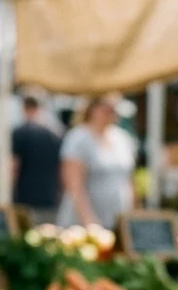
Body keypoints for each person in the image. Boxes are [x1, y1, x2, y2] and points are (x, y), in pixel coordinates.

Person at [58, 96, 135, 230]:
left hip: (116, 221)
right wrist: (90, 222)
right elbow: (74, 185)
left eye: (115, 110)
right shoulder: (78, 137)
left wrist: (131, 217)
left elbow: (128, 180)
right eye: (108, 110)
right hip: (83, 225)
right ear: (93, 109)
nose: (113, 114)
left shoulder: (122, 138)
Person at [12, 96, 62, 224]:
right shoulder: (56, 133)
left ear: (25, 108)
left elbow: (13, 166)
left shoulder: (20, 132)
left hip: (25, 196)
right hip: (51, 195)